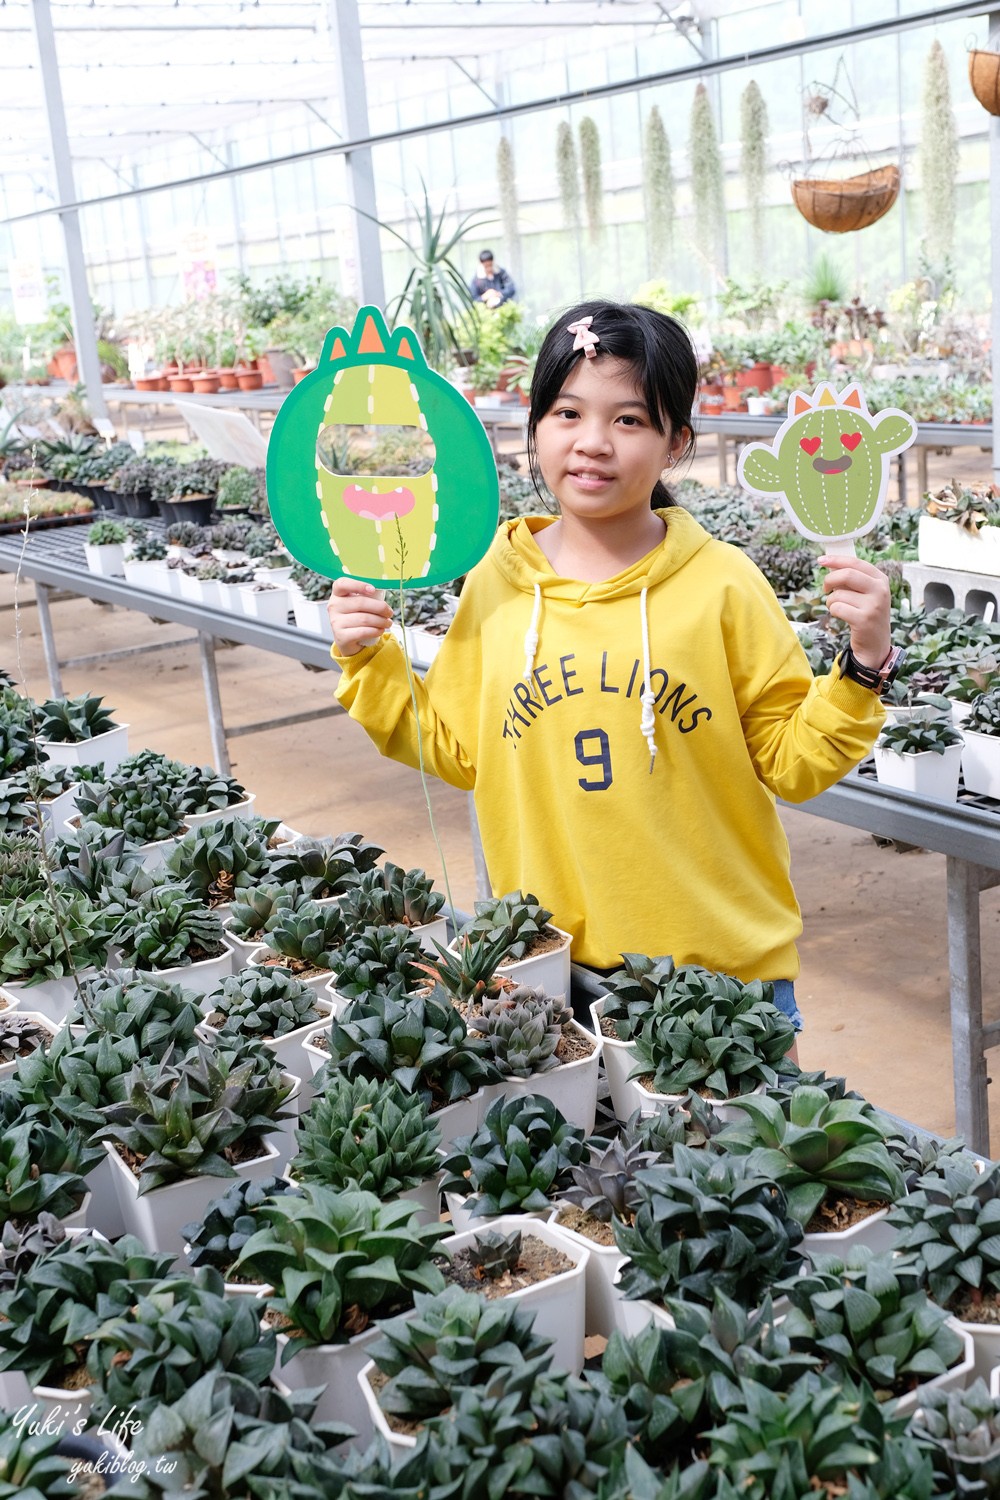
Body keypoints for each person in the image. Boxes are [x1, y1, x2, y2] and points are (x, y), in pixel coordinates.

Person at [327, 300, 894, 1037]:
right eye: (567, 414)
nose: (592, 443)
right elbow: (461, 749)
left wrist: (866, 660)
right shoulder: (499, 577)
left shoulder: (721, 583)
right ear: (535, 427)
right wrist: (368, 658)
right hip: (550, 977)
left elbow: (793, 763)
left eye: (628, 420)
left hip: (720, 982)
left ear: (675, 443)